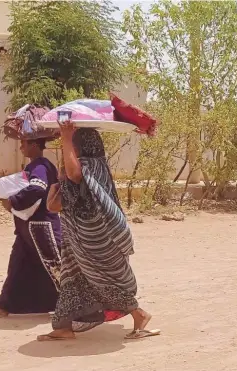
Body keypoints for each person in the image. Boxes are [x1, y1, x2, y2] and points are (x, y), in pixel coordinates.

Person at [37, 121, 159, 341]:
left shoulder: (90, 165)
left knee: (102, 277)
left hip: (96, 236)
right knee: (72, 277)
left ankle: (139, 314)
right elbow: (70, 183)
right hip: (82, 236)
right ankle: (63, 327)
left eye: (75, 143)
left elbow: (75, 176)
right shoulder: (95, 164)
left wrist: (66, 139)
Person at [0, 139, 61, 317]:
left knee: (56, 266)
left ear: (35, 145)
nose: (21, 147)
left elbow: (38, 188)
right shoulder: (37, 166)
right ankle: (4, 306)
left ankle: (76, 308)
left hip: (41, 227)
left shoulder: (40, 166)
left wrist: (12, 201)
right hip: (28, 227)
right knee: (18, 265)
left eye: (24, 144)